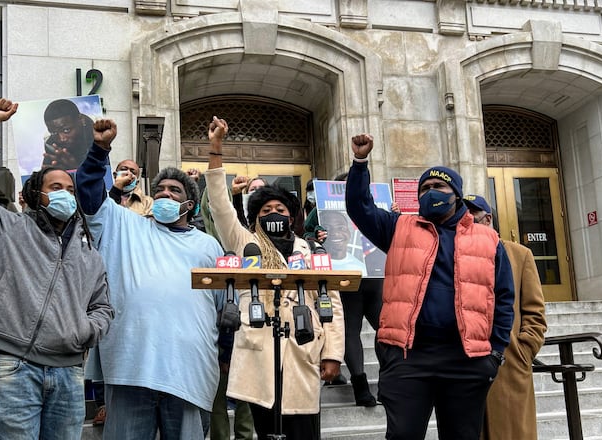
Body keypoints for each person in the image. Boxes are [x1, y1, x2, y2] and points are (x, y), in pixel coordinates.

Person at [0, 97, 113, 439]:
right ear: (36, 195)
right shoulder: (4, 228)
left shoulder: (88, 253)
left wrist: (84, 331)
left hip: (69, 374)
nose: (66, 194)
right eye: (56, 188)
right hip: (14, 368)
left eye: (70, 189)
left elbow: (103, 307)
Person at [345, 133, 515, 440]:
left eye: (439, 187)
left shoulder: (488, 239)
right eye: (424, 188)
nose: (430, 192)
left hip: (466, 360)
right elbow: (360, 207)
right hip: (409, 358)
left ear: (456, 194)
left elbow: (503, 297)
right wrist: (360, 163)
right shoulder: (399, 227)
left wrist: (495, 354)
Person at [75, 118, 224, 440]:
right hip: (131, 368)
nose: (165, 195)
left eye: (175, 190)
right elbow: (88, 194)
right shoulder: (124, 225)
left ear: (190, 202)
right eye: (159, 190)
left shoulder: (209, 245)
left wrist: (225, 353)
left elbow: (223, 306)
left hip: (189, 369)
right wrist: (99, 149)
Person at [205, 116, 345, 440]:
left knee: (304, 433)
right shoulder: (245, 243)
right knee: (266, 432)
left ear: (292, 216)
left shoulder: (310, 250)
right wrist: (216, 149)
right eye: (265, 211)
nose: (273, 214)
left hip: (303, 353)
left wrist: (333, 354)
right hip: (259, 359)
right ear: (255, 218)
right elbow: (221, 207)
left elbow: (332, 304)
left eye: (280, 210)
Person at [464, 194, 547, 440]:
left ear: (487, 219)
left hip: (510, 363)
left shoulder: (520, 255)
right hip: (469, 363)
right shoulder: (459, 254)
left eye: (471, 220)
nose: (465, 227)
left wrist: (524, 349)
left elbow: (535, 311)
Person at [42, 98, 94, 170]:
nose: (61, 139)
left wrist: (75, 169)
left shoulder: (99, 136)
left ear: (82, 120)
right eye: (54, 133)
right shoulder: (51, 144)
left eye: (66, 130)